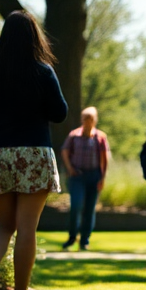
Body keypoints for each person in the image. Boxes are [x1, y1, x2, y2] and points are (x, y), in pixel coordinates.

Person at [0, 10, 68, 290]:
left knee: (3, 224)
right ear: (34, 38)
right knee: (27, 227)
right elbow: (60, 112)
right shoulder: (42, 71)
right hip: (34, 153)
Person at [60, 106, 111, 251]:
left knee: (89, 209)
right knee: (76, 205)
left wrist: (102, 178)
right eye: (85, 118)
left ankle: (84, 240)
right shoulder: (74, 135)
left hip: (94, 175)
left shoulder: (100, 137)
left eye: (91, 118)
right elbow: (64, 151)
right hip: (77, 175)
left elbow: (104, 159)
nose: (88, 121)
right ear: (82, 119)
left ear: (95, 120)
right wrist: (70, 168)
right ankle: (71, 238)